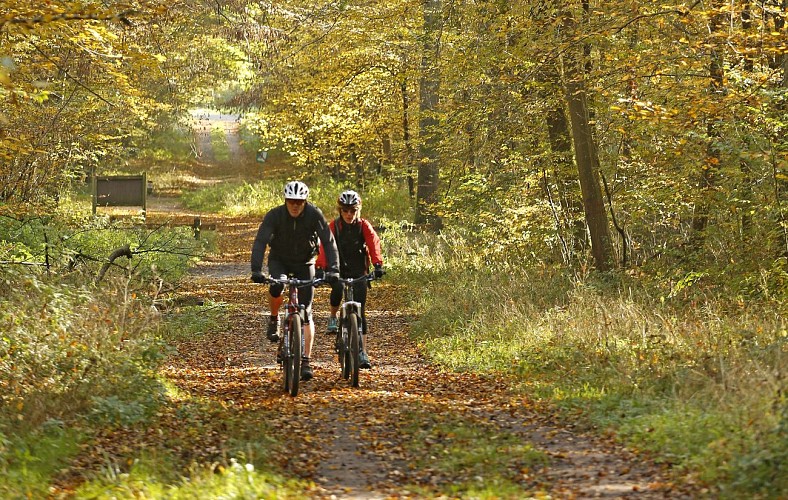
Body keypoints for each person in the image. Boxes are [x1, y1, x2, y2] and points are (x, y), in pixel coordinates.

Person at [251, 180, 340, 381]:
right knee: (277, 286)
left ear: (305, 202)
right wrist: (256, 270)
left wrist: (334, 270)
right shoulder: (275, 215)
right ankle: (274, 318)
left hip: (305, 262)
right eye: (291, 201)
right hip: (279, 260)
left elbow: (328, 241)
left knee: (306, 310)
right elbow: (260, 241)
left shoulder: (314, 214)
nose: (295, 205)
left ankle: (306, 360)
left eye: (299, 202)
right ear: (285, 200)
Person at [316, 190, 384, 369]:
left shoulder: (363, 226)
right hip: (338, 268)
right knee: (337, 289)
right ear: (340, 210)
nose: (349, 214)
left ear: (358, 210)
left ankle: (362, 351)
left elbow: (373, 243)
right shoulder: (334, 226)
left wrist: (377, 265)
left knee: (360, 312)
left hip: (358, 269)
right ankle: (333, 317)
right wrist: (321, 267)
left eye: (352, 210)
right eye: (345, 210)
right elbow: (325, 246)